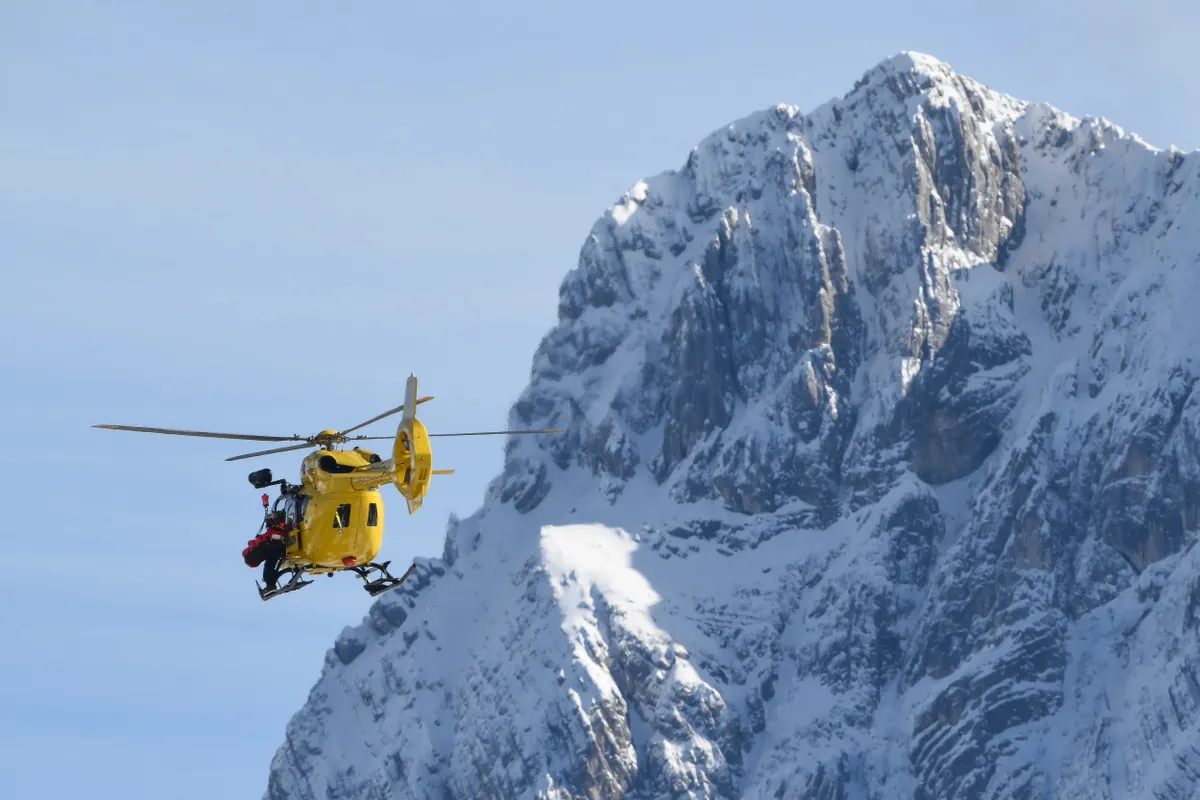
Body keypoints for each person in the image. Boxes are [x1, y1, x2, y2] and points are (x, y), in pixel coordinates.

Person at [242, 511, 292, 591]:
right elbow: (280, 536)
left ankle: (270, 585)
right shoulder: (272, 532)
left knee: (269, 566)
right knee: (269, 566)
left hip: (276, 549)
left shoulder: (272, 532)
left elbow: (280, 536)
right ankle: (270, 585)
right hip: (276, 549)